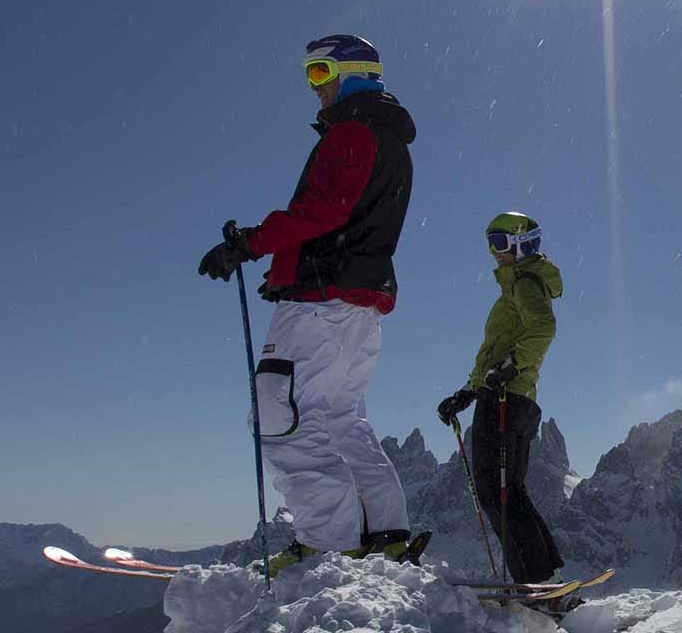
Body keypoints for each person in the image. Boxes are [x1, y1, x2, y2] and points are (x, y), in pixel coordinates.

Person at [198, 34, 422, 576]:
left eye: (321, 73)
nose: (313, 87)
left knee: (281, 415)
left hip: (324, 302)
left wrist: (250, 243)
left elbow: (324, 211)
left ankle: (328, 544)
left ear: (355, 73)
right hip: (358, 303)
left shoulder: (352, 131)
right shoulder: (389, 138)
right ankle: (384, 533)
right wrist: (285, 270)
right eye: (309, 75)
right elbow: (352, 223)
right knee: (340, 417)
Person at [436, 212, 565, 584]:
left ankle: (534, 581)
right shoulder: (521, 284)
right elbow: (498, 349)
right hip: (517, 397)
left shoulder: (523, 282)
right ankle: (545, 575)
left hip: (506, 398)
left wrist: (511, 366)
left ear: (522, 244)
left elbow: (543, 328)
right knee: (511, 491)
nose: (493, 251)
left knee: (495, 492)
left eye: (499, 242)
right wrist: (468, 392)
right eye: (489, 242)